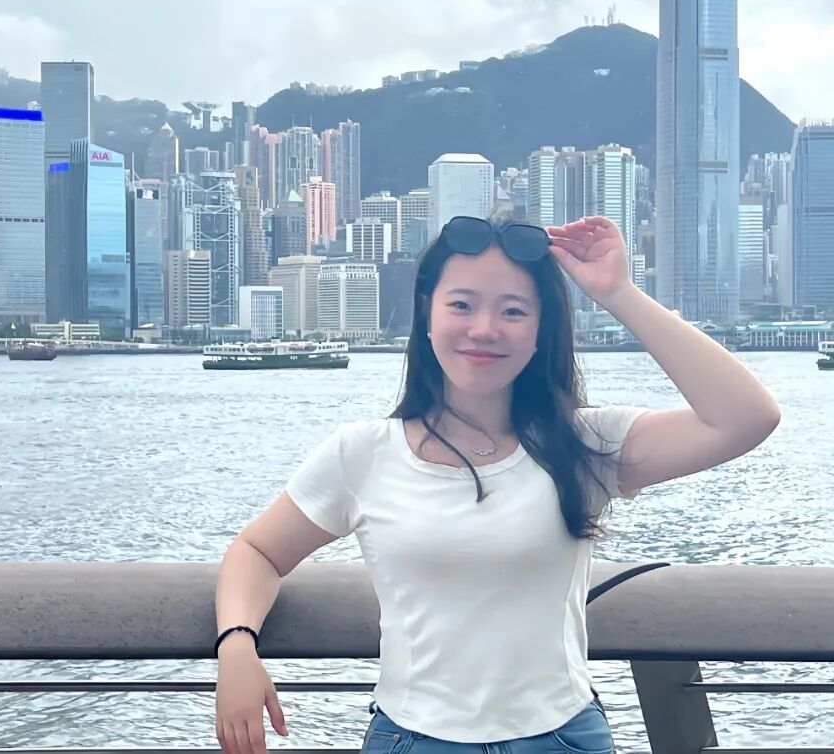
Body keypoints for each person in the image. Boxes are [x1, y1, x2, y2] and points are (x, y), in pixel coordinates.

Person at [213, 214, 780, 754]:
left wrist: (618, 293)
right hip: (412, 738)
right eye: (461, 304)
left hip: (562, 737)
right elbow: (258, 551)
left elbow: (746, 418)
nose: (483, 329)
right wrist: (237, 645)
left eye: (513, 311)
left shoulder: (583, 445)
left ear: (539, 332)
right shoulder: (361, 453)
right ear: (427, 312)